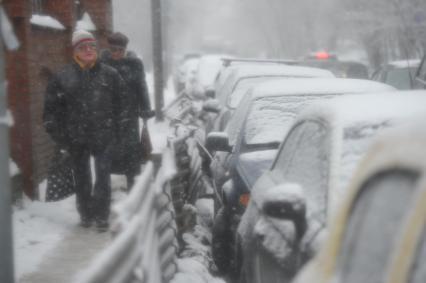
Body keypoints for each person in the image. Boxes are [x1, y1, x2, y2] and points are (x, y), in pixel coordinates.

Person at [43, 30, 126, 231]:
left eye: (92, 46)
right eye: (82, 47)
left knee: (103, 176)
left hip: (103, 135)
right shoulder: (62, 77)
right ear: (75, 51)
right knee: (82, 177)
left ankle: (102, 216)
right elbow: (50, 113)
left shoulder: (110, 75)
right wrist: (62, 137)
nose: (88, 50)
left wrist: (116, 130)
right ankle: (86, 214)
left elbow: (122, 106)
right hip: (76, 138)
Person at [100, 32, 154, 190]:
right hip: (107, 117)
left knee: (131, 153)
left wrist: (145, 109)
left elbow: (142, 88)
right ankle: (105, 190)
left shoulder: (134, 64)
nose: (116, 53)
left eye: (119, 50)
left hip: (129, 116)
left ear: (125, 50)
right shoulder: (101, 64)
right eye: (113, 49)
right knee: (107, 154)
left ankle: (133, 187)